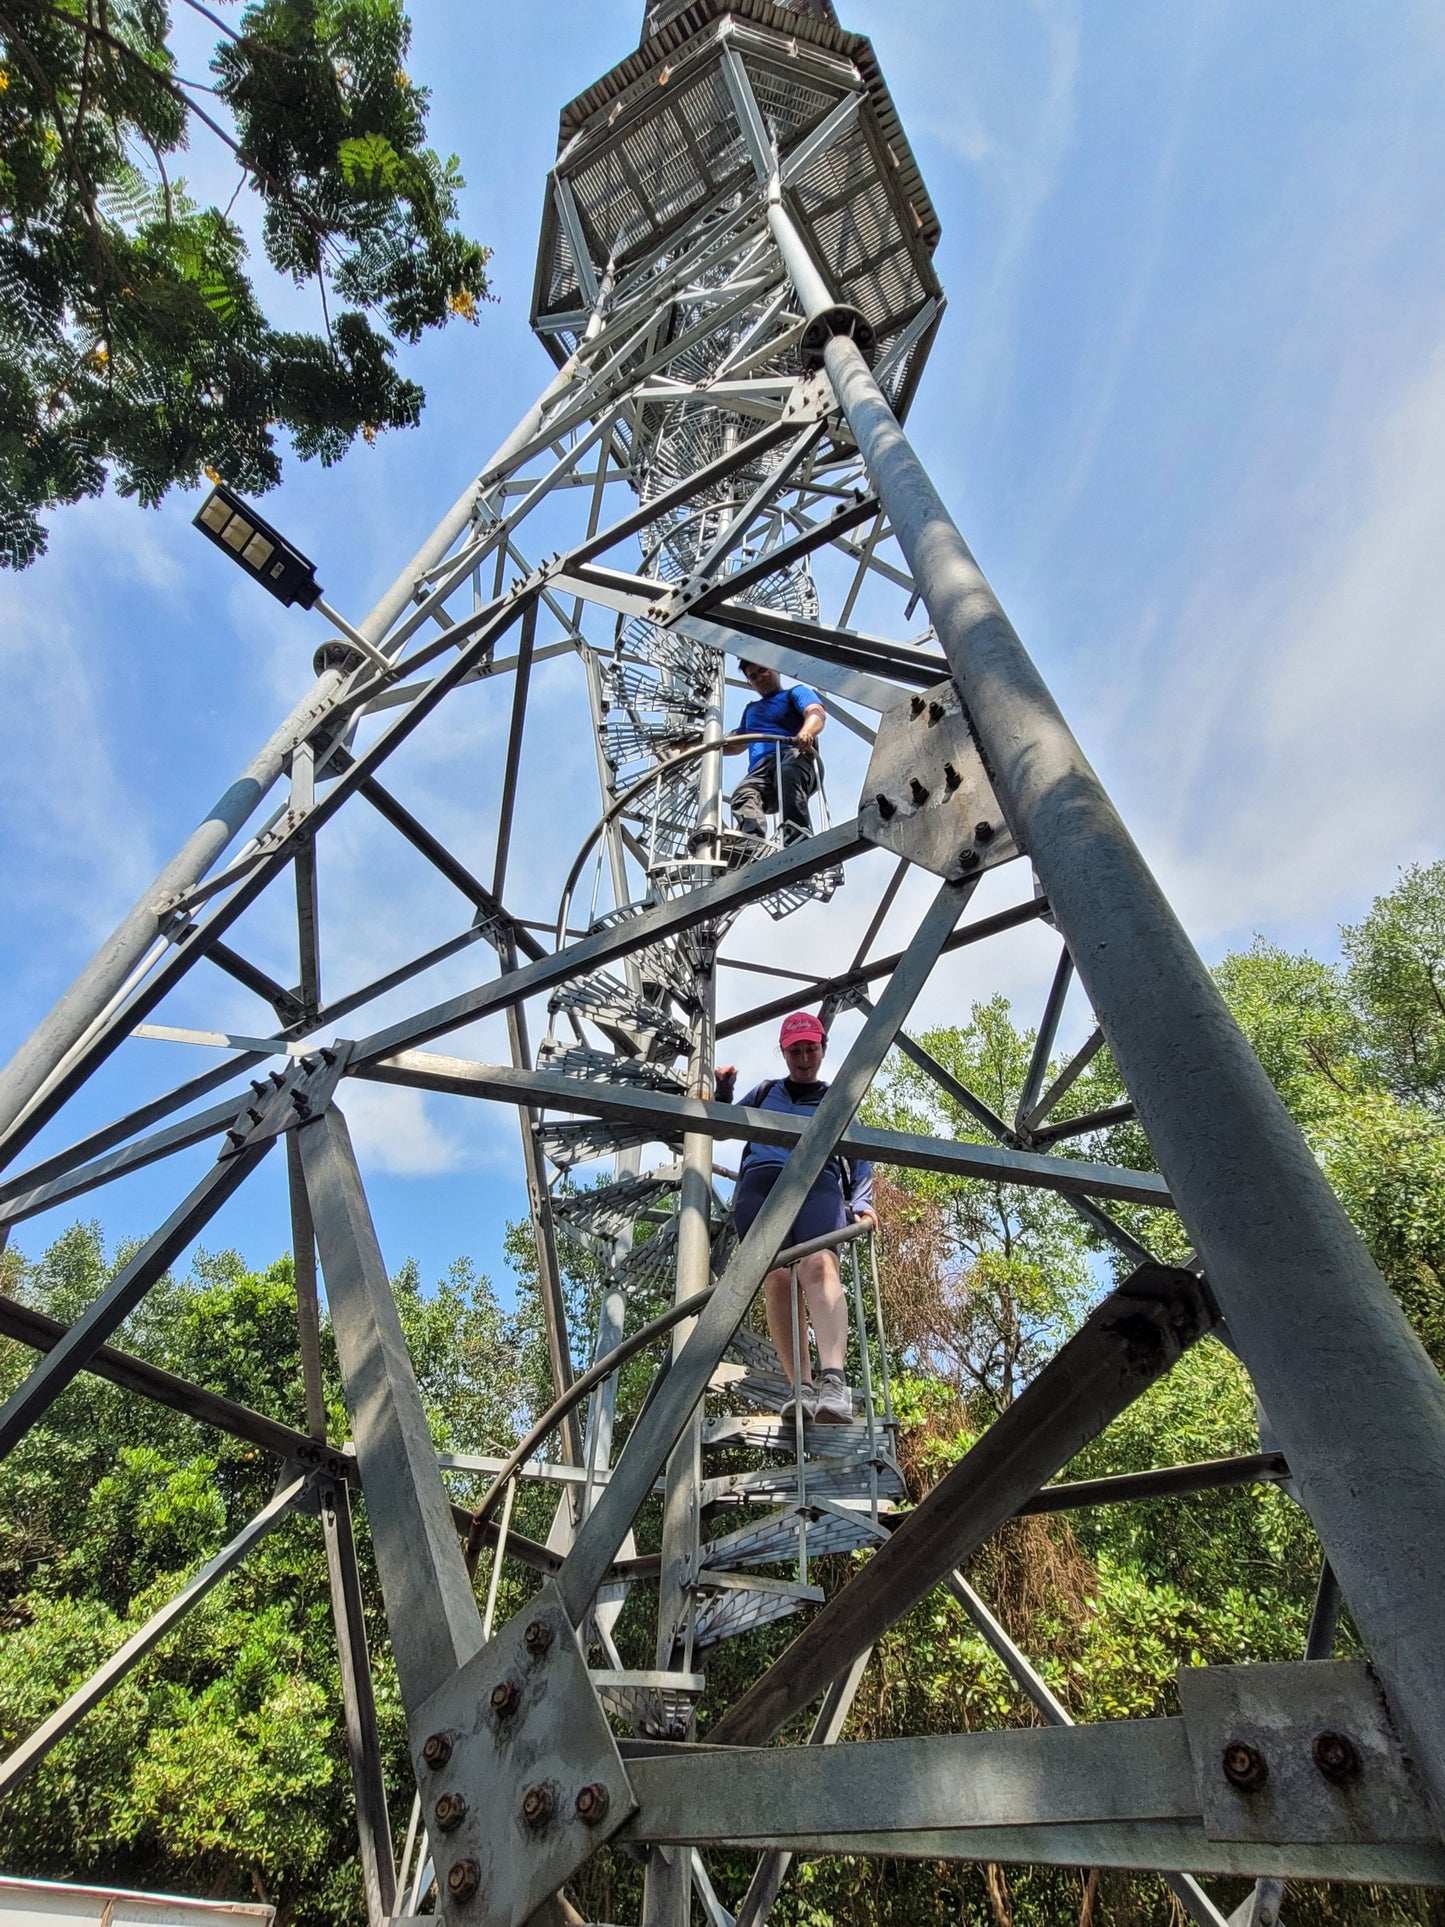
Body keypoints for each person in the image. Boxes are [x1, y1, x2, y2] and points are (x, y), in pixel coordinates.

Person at [714, 1011, 877, 1423]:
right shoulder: (766, 1091)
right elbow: (721, 1128)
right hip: (761, 1183)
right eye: (796, 1051)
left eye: (811, 1049)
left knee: (819, 1265)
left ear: (822, 1050)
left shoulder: (836, 1099)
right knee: (776, 1278)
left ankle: (834, 1383)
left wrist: (862, 1201)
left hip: (817, 1181)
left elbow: (859, 1156)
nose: (804, 1058)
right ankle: (799, 1386)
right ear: (784, 1053)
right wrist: (722, 1091)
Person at [725, 660, 826, 844]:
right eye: (753, 676)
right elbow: (733, 744)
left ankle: (796, 836)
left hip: (793, 756)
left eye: (763, 670)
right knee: (743, 793)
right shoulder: (751, 710)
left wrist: (807, 732)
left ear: (776, 669)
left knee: (787, 772)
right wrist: (691, 745)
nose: (760, 677)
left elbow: (816, 712)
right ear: (750, 683)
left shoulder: (794, 693)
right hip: (760, 771)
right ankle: (750, 841)